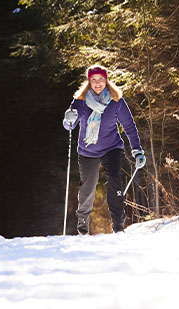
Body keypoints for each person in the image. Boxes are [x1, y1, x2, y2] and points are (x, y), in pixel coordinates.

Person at [62, 65, 145, 234]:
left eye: (101, 79)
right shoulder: (81, 101)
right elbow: (70, 125)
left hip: (111, 148)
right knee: (88, 187)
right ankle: (83, 226)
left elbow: (129, 126)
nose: (97, 83)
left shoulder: (116, 101)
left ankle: (117, 226)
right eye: (93, 80)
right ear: (89, 82)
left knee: (114, 181)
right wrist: (68, 119)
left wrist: (137, 150)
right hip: (87, 150)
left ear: (106, 80)